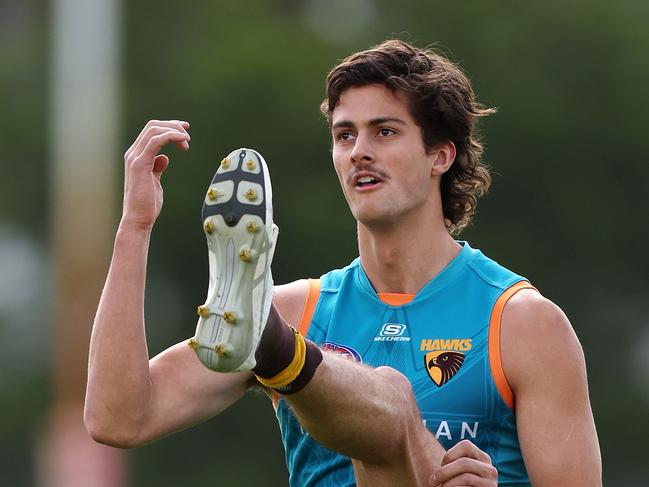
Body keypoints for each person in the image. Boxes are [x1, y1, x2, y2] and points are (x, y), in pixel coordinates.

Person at [84, 40, 602, 486]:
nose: (358, 152)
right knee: (386, 399)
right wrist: (135, 226)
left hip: (281, 335)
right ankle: (283, 355)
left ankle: (280, 355)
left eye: (385, 132)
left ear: (440, 155)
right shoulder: (291, 306)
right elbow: (118, 418)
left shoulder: (523, 324)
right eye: (345, 135)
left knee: (394, 402)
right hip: (274, 325)